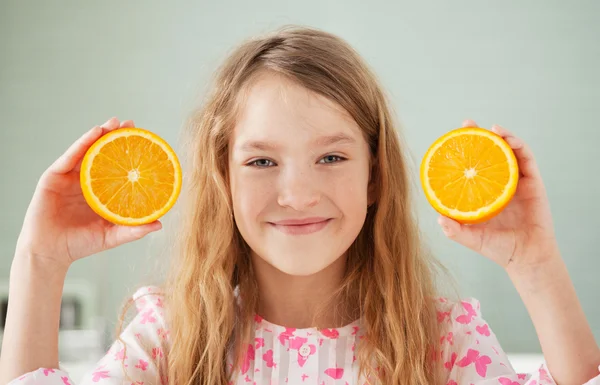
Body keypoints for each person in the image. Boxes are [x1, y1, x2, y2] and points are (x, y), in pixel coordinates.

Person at [0, 25, 599, 385]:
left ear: (374, 176)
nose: (297, 194)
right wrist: (39, 261)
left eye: (332, 158)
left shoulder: (442, 338)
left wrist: (535, 264)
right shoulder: (172, 337)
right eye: (261, 161)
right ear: (223, 180)